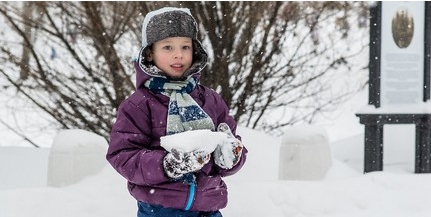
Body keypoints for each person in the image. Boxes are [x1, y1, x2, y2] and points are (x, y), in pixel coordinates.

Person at [106, 7, 247, 217]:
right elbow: (122, 155)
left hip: (208, 206)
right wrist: (165, 165)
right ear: (150, 54)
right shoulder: (139, 104)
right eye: (168, 47)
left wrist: (231, 156)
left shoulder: (210, 100)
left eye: (185, 46)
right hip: (160, 208)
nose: (178, 54)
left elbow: (233, 148)